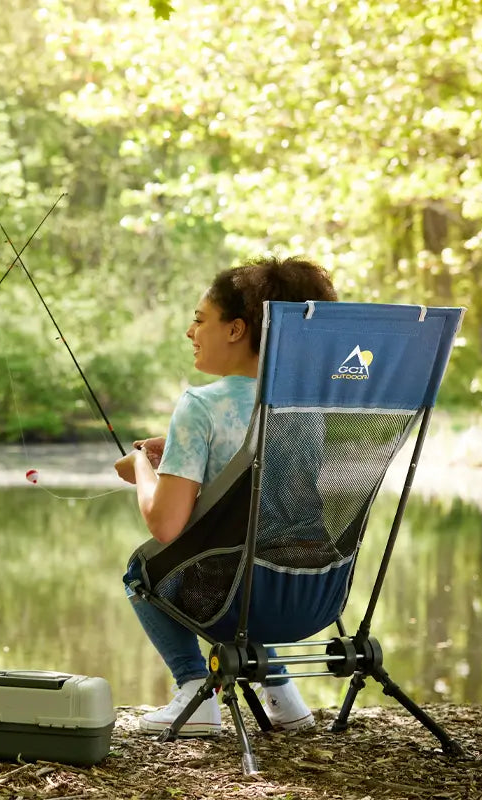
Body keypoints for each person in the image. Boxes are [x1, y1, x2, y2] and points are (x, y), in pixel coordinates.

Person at [113, 255, 341, 737]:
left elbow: (165, 525)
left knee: (144, 569)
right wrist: (176, 451)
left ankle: (194, 688)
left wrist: (140, 463)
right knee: (260, 546)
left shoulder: (200, 406)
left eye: (200, 320)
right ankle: (282, 693)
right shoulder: (305, 406)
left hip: (235, 599)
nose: (190, 332)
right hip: (313, 591)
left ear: (236, 330)